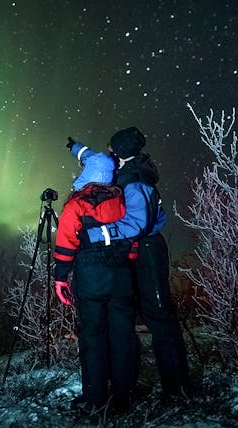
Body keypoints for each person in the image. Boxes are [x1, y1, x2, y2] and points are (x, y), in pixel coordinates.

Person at [72, 127, 191, 401]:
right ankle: (130, 384)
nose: (109, 153)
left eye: (113, 149)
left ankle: (177, 388)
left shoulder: (136, 182)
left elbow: (137, 223)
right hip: (133, 252)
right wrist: (77, 149)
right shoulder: (126, 168)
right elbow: (97, 159)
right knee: (128, 317)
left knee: (159, 316)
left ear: (121, 153)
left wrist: (97, 234)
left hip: (148, 251)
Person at [53, 144, 137, 414]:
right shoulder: (123, 200)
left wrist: (60, 278)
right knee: (122, 336)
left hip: (90, 276)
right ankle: (123, 397)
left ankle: (95, 398)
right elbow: (132, 236)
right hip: (121, 275)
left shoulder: (76, 204)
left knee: (92, 336)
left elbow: (66, 243)